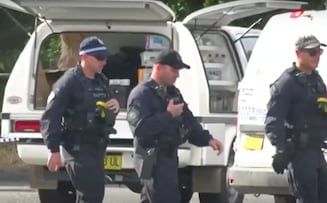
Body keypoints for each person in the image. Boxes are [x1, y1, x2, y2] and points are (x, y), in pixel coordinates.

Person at [126, 49, 224, 203]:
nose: (177, 75)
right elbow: (140, 129)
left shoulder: (173, 93)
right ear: (158, 68)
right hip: (153, 160)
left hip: (169, 158)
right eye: (174, 70)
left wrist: (208, 140)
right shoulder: (142, 94)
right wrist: (168, 115)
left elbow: (188, 121)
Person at [265, 35, 327, 203]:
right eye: (312, 52)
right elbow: (274, 120)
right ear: (298, 53)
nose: (317, 56)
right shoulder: (286, 83)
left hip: (316, 152)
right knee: (308, 197)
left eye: (319, 52)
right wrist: (280, 149)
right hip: (299, 154)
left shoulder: (316, 80)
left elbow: (325, 114)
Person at [40, 36, 120, 203]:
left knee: (95, 195)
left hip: (96, 147)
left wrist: (114, 106)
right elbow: (51, 116)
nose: (103, 62)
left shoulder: (101, 81)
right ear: (84, 57)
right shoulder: (69, 82)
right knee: (90, 195)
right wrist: (53, 150)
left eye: (105, 57)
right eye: (99, 58)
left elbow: (106, 112)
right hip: (77, 149)